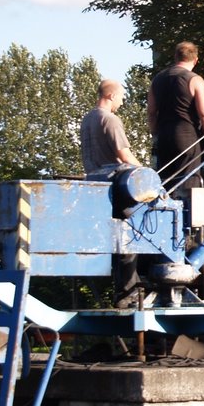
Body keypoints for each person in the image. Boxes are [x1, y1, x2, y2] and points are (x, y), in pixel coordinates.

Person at [79, 79, 143, 307]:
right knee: (132, 237)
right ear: (111, 96)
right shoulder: (110, 119)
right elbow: (124, 156)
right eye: (121, 96)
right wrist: (148, 175)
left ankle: (125, 290)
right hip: (116, 186)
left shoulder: (87, 119)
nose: (123, 101)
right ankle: (129, 292)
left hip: (95, 186)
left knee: (115, 242)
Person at [147, 41, 204, 192]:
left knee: (166, 185)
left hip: (164, 137)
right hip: (187, 138)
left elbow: (152, 112)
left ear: (175, 57)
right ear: (195, 60)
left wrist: (155, 135)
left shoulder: (157, 79)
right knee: (188, 186)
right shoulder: (194, 79)